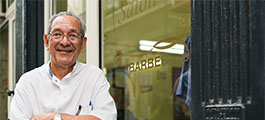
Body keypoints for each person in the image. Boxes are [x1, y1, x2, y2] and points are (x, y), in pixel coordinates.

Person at [10, 11, 117, 120]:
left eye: (72, 35)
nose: (65, 42)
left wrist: (56, 117)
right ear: (47, 42)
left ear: (83, 44)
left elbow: (108, 117)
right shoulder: (28, 82)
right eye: (57, 34)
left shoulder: (94, 77)